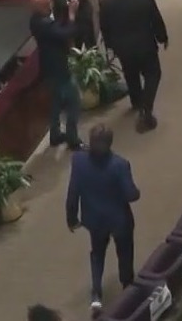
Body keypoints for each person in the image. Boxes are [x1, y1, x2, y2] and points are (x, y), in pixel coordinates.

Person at [66, 125, 141, 314]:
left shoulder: (78, 161)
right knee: (124, 252)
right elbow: (131, 194)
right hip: (119, 220)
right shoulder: (120, 164)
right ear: (110, 143)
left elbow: (72, 193)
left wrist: (72, 218)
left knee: (97, 255)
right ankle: (127, 287)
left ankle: (97, 296)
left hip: (94, 220)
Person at [99, 0, 168, 132]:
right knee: (153, 74)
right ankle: (146, 108)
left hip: (122, 47)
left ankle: (136, 101)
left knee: (130, 73)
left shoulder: (107, 2)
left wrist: (110, 46)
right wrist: (162, 37)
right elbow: (155, 19)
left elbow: (104, 27)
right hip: (145, 44)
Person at [29, 0, 83, 149]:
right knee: (74, 102)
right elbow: (67, 33)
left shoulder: (35, 20)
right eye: (48, 3)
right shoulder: (45, 24)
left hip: (48, 69)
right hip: (59, 70)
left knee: (55, 104)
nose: (51, 4)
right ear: (43, 7)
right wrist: (72, 14)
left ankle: (55, 135)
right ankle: (73, 139)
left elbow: (57, 28)